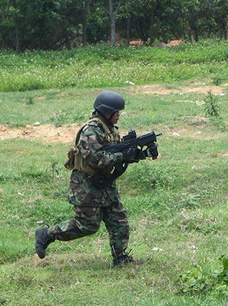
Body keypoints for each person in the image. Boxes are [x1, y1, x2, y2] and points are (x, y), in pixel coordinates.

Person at [34, 91, 145, 267]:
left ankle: (121, 258)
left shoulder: (109, 130)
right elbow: (96, 158)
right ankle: (47, 234)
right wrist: (121, 157)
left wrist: (135, 154)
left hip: (105, 184)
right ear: (105, 112)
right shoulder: (90, 131)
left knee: (118, 220)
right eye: (115, 112)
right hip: (86, 186)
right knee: (87, 225)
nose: (118, 115)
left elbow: (113, 152)